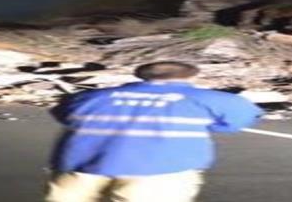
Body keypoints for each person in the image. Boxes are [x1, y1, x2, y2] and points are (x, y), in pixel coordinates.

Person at [47, 61, 264, 202]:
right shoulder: (210, 99)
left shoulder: (91, 97)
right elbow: (239, 122)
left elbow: (63, 115)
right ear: (190, 77)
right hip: (160, 170)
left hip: (81, 166)